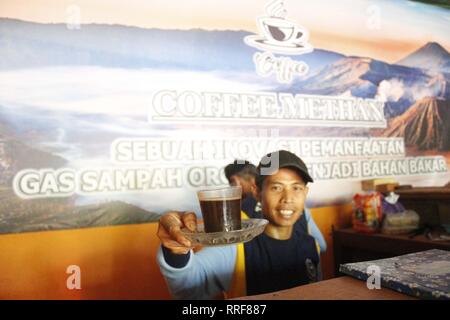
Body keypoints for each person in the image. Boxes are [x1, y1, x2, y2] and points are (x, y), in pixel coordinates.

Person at [157, 150, 322, 299]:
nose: (288, 198)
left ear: (305, 193)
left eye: (297, 188)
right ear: (257, 192)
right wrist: (175, 250)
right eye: (276, 187)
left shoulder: (311, 244)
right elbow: (188, 288)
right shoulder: (237, 244)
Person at [224, 159, 327, 253]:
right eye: (276, 188)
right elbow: (321, 246)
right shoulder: (300, 208)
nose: (287, 199)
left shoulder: (239, 211)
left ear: (235, 181)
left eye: (295, 187)